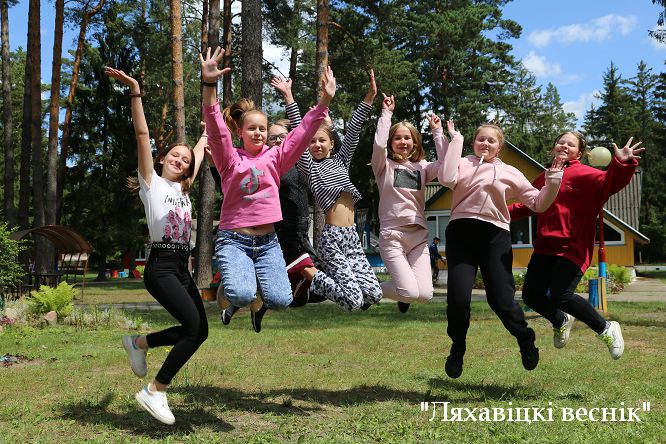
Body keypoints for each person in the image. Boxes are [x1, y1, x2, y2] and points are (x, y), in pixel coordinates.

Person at [200, 46, 336, 333]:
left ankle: (248, 284)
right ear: (240, 132)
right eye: (252, 128)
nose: (258, 133)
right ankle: (233, 287)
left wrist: (324, 100)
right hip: (234, 240)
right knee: (241, 294)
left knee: (281, 300)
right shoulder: (229, 158)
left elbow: (301, 134)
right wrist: (209, 84)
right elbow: (216, 128)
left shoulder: (276, 157)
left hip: (268, 243)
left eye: (262, 128)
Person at [106, 66, 208, 425]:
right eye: (175, 156)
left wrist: (209, 127)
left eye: (186, 160)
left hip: (181, 268)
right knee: (192, 329)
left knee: (200, 331)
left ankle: (139, 343)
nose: (181, 160)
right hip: (161, 266)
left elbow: (202, 146)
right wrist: (135, 90)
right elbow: (142, 133)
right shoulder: (152, 183)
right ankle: (155, 389)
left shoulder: (183, 188)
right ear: (163, 158)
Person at [439, 123, 564, 378]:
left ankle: (525, 338)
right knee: (458, 299)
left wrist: (552, 181)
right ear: (473, 142)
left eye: (491, 141)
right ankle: (457, 347)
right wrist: (448, 139)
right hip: (460, 234)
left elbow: (538, 204)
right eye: (481, 139)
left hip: (494, 237)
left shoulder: (510, 172)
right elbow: (446, 177)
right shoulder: (461, 163)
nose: (485, 144)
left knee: (501, 301)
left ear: (500, 147)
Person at [509, 132, 643, 360]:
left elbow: (612, 182)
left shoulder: (586, 175)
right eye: (560, 142)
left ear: (579, 153)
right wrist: (495, 213)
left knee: (561, 295)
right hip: (544, 248)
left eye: (570, 144)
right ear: (553, 148)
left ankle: (606, 328)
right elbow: (529, 205)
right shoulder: (543, 177)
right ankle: (560, 319)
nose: (564, 146)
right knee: (531, 295)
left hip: (573, 247)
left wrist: (621, 163)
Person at [297, 69, 383, 312]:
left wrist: (369, 98)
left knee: (374, 294)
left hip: (351, 236)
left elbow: (353, 130)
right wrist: (291, 99)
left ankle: (322, 277)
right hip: (332, 238)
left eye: (322, 140)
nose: (316, 145)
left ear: (332, 143)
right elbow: (300, 136)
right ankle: (310, 273)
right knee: (353, 302)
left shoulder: (341, 161)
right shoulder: (310, 168)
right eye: (312, 141)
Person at [371, 93, 462, 313]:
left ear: (414, 142)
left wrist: (437, 132)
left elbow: (446, 164)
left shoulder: (422, 167)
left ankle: (400, 291)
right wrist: (386, 114)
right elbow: (378, 145)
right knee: (410, 293)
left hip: (418, 237)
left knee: (425, 295)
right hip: (393, 235)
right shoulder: (383, 166)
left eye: (407, 138)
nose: (403, 142)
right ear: (391, 143)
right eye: (398, 138)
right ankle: (368, 289)